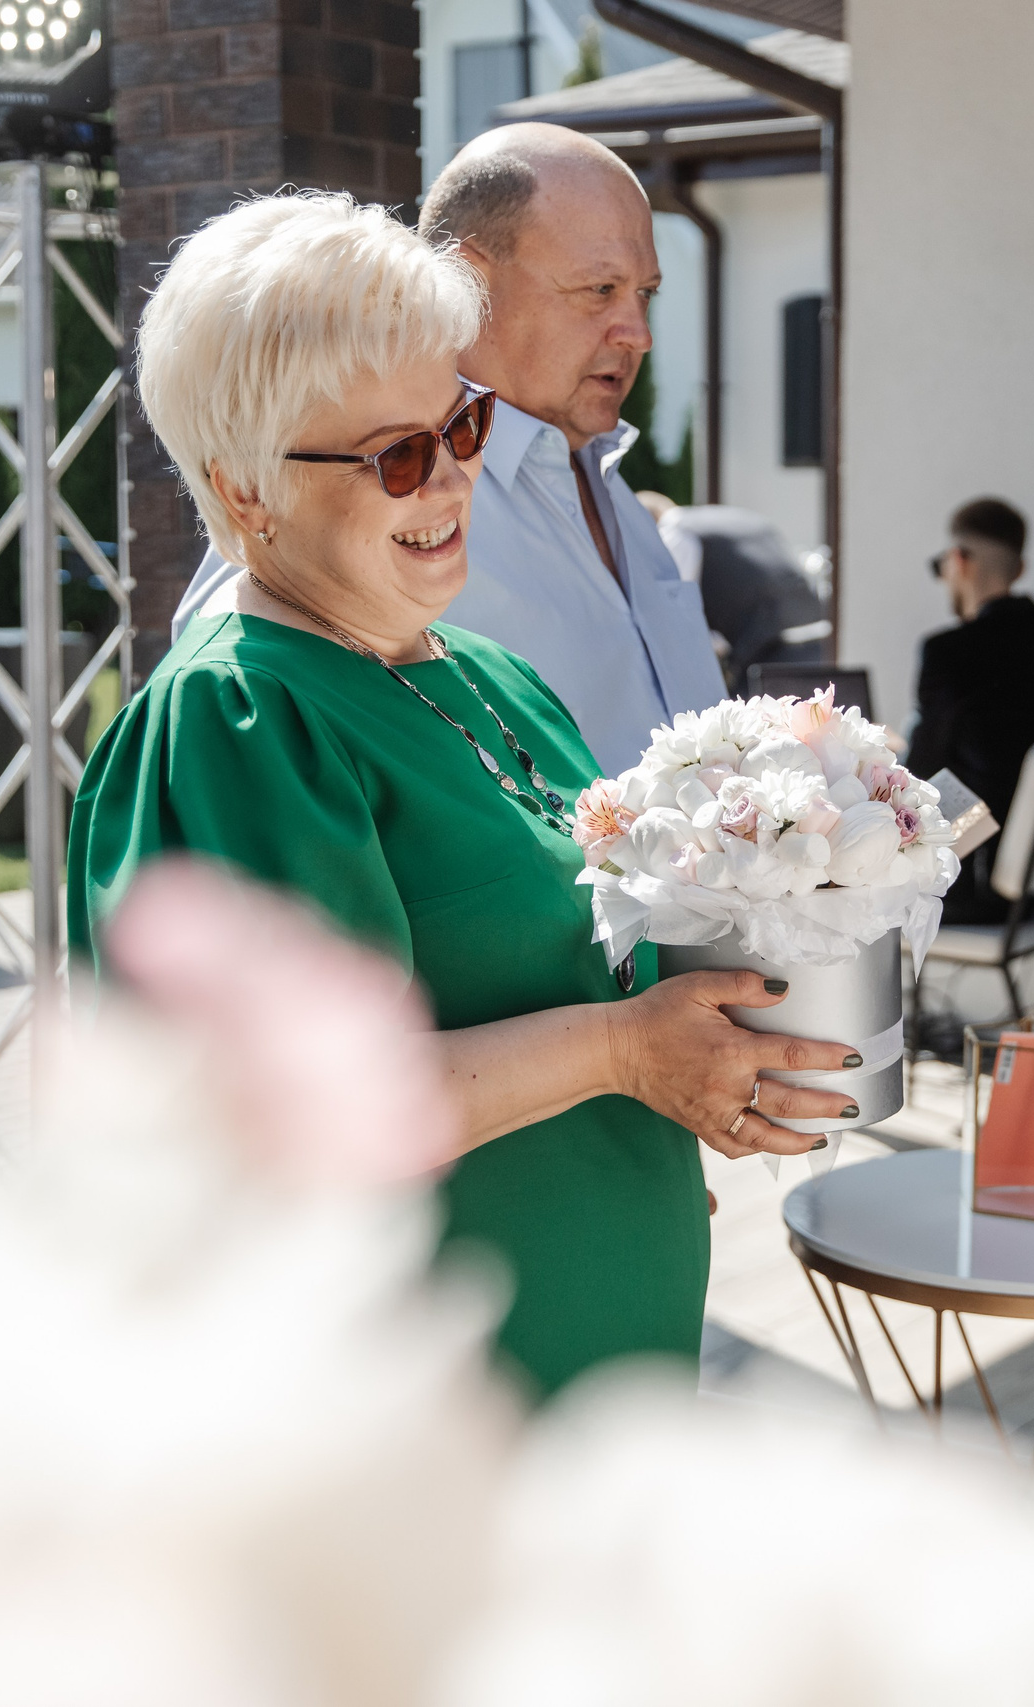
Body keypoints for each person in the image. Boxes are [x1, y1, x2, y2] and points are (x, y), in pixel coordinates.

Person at [71, 192, 859, 1401]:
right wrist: (619, 1056)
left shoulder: (494, 676)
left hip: (600, 1400)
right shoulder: (236, 719)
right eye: (393, 454)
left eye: (463, 426)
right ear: (242, 494)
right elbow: (296, 1117)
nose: (446, 481)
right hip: (424, 1420)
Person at [170, 124, 724, 777]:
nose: (638, 333)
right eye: (600, 290)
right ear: (471, 281)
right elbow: (231, 689)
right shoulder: (372, 485)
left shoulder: (608, 484)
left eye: (645, 293)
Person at [904, 497, 1034, 925]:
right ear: (1020, 570)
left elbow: (921, 778)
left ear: (959, 560)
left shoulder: (949, 652)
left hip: (976, 890)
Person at [644, 496, 831, 694]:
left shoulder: (675, 534)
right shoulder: (736, 517)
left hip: (766, 653)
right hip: (816, 638)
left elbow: (673, 618)